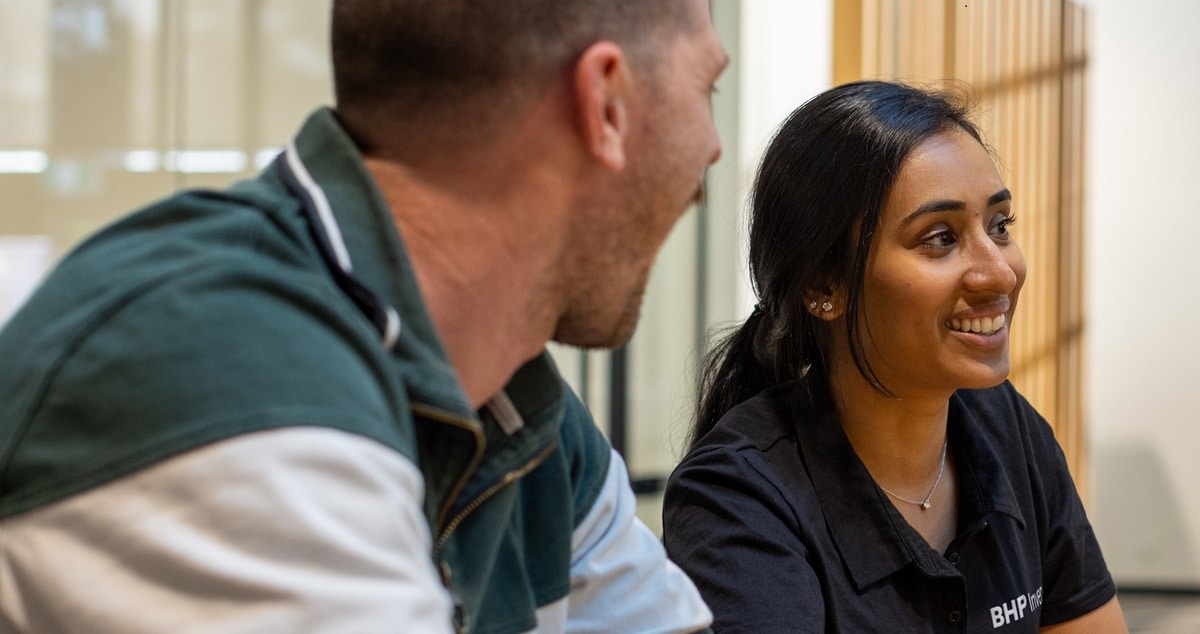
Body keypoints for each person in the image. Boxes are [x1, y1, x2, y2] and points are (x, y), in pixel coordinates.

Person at [0, 0, 725, 631]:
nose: (714, 148)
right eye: (707, 88)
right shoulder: (221, 364)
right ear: (607, 103)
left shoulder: (520, 405)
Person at [662, 80, 1125, 633]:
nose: (1000, 273)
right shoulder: (738, 496)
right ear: (823, 285)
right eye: (939, 238)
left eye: (999, 227)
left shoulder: (1009, 432)